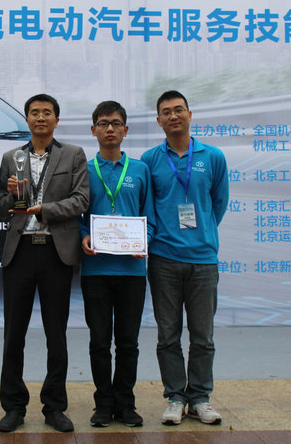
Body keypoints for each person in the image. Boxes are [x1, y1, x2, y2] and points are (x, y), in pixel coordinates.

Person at [0, 93, 89, 433]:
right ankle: (13, 407)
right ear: (27, 119)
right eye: (34, 112)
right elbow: (0, 207)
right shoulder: (11, 157)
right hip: (20, 252)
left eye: (47, 112)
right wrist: (11, 195)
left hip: (55, 251)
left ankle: (55, 406)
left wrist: (44, 210)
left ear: (56, 120)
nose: (40, 118)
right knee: (13, 334)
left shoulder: (73, 154)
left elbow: (81, 200)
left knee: (56, 333)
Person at [140, 90, 229, 426]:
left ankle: (200, 398)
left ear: (190, 114)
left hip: (203, 259)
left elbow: (218, 203)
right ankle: (176, 397)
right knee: (168, 335)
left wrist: (201, 232)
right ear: (158, 120)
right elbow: (148, 206)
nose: (173, 116)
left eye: (179, 110)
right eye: (166, 112)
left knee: (203, 336)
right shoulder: (150, 160)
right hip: (163, 257)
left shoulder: (213, 156)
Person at [79, 101, 155, 428]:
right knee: (99, 342)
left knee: (128, 342)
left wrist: (144, 239)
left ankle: (126, 403)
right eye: (103, 123)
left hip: (132, 271)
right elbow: (77, 215)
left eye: (115, 123)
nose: (109, 128)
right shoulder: (83, 170)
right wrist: (83, 235)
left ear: (126, 129)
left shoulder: (140, 170)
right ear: (93, 129)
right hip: (95, 270)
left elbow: (149, 214)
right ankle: (103, 403)